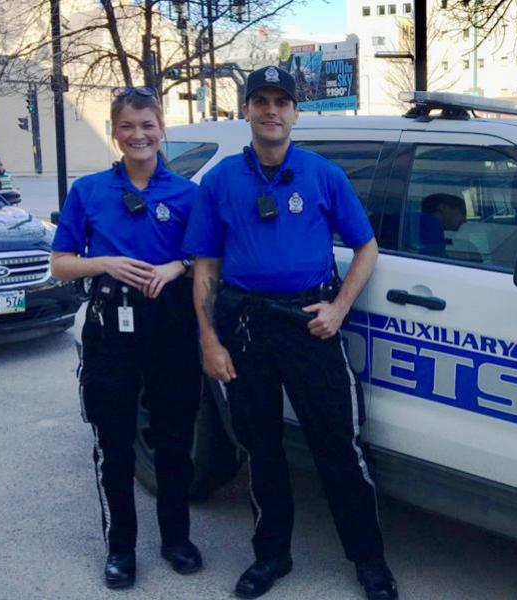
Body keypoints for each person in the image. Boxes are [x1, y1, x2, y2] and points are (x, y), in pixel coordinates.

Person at [182, 65, 396, 600]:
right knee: (262, 448)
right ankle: (271, 556)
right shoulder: (221, 181)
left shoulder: (324, 175)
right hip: (248, 327)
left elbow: (366, 248)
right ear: (247, 111)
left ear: (296, 112)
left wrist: (340, 308)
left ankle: (369, 560)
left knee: (340, 447)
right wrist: (210, 340)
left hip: (310, 324)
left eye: (281, 101)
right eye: (261, 101)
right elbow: (205, 265)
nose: (271, 110)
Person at [50, 86, 203, 589]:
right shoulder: (89, 192)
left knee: (174, 438)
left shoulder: (187, 194)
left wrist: (176, 266)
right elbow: (60, 264)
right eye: (127, 126)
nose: (138, 135)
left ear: (162, 129)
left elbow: (207, 259)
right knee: (114, 441)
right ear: (115, 132)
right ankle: (121, 548)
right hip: (111, 324)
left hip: (171, 323)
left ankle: (176, 538)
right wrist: (106, 262)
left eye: (147, 125)